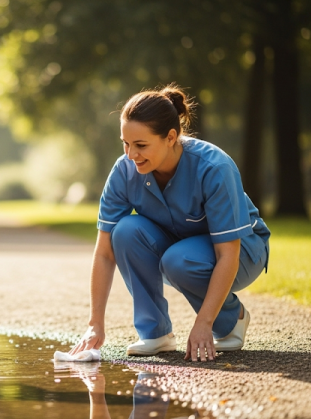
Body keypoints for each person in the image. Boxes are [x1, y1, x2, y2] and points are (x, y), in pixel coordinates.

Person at [69, 84, 270, 362]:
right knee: (124, 231)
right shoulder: (124, 171)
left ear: (171, 137)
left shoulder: (214, 167)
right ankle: (155, 333)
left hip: (242, 251)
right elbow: (104, 253)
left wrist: (203, 323)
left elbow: (228, 253)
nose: (131, 155)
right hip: (180, 248)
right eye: (125, 143)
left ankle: (231, 320)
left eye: (141, 145)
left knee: (179, 260)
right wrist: (95, 323)